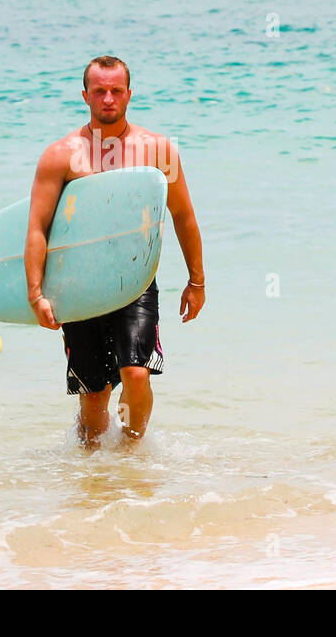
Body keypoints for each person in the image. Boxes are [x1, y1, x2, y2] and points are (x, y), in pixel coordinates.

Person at [23, 55, 205, 446]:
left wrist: (197, 282)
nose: (108, 98)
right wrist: (36, 295)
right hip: (79, 285)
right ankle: (92, 467)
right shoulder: (60, 155)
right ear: (85, 95)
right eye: (100, 91)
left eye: (116, 91)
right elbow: (37, 228)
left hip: (134, 279)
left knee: (136, 374)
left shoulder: (158, 151)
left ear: (129, 95)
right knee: (94, 396)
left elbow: (183, 216)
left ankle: (129, 455)